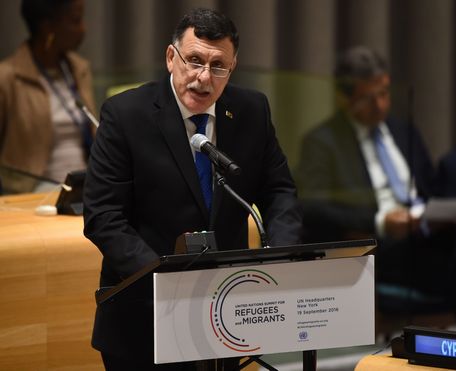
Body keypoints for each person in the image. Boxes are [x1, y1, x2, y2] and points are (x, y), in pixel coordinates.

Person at [83, 8, 302, 371]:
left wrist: (279, 260)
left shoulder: (252, 111)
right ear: (171, 58)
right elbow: (103, 216)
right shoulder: (126, 115)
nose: (203, 78)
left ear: (232, 68)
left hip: (226, 316)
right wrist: (163, 278)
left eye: (218, 66)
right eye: (195, 61)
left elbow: (279, 191)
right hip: (144, 317)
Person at [295, 46, 456, 332]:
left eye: (384, 93)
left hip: (425, 237)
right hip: (381, 247)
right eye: (369, 98)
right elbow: (312, 206)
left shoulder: (402, 130)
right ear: (344, 98)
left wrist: (441, 214)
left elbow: (432, 187)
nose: (381, 105)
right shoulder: (323, 141)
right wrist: (380, 221)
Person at [0, 0, 96, 194]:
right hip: (32, 192)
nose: (83, 29)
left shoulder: (79, 70)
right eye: (75, 21)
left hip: (84, 185)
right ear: (48, 26)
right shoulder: (8, 77)